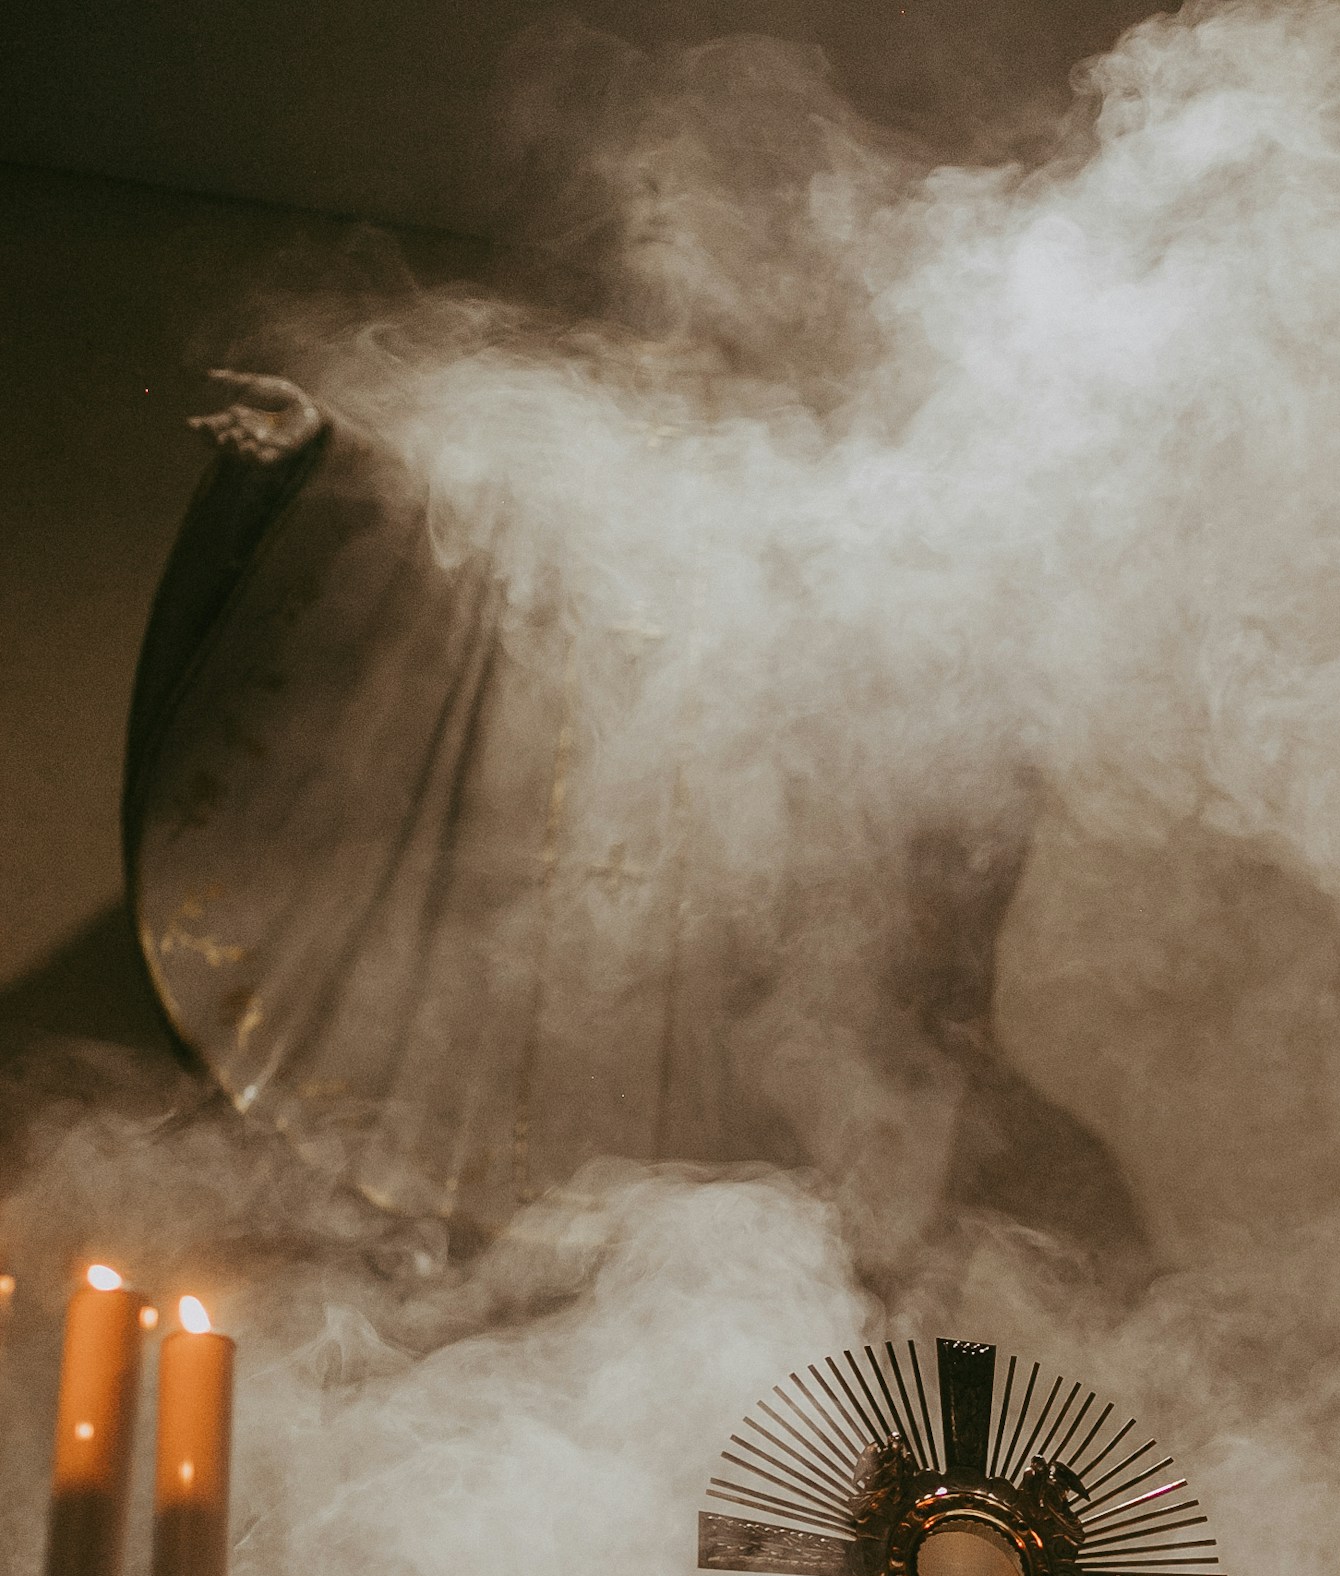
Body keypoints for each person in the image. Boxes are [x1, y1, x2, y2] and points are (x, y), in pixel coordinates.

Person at [123, 371, 1142, 1280]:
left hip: (714, 969)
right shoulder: (553, 525)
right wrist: (326, 460)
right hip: (537, 945)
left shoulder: (815, 567)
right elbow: (441, 535)